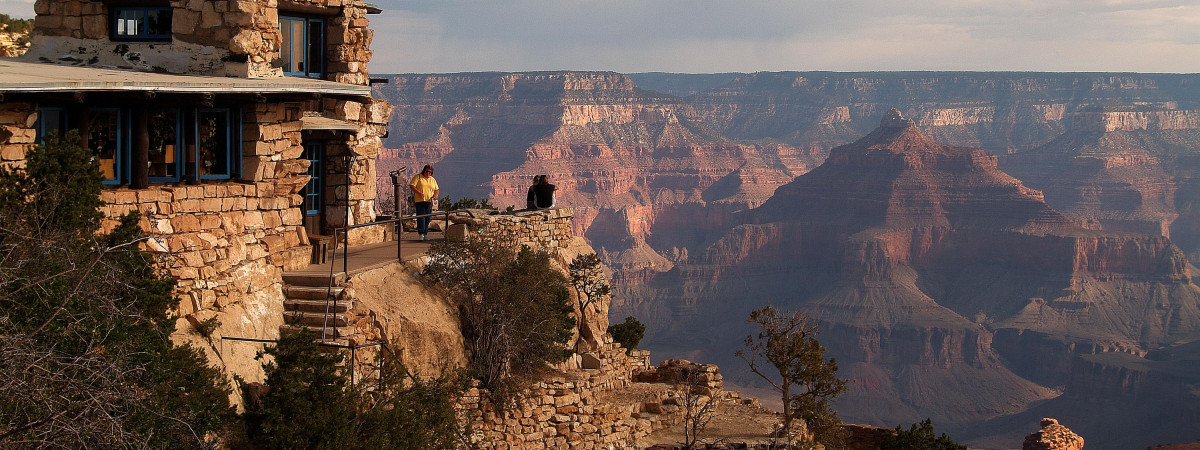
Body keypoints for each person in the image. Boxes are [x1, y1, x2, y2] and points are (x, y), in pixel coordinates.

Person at [409, 164, 438, 240]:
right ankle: (421, 233)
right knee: (421, 217)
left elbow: (436, 189)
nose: (428, 173)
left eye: (430, 172)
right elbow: (412, 186)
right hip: (419, 200)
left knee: (428, 218)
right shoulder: (418, 177)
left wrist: (435, 195)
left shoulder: (432, 179)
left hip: (429, 201)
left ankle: (425, 233)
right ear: (424, 171)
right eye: (427, 172)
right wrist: (419, 193)